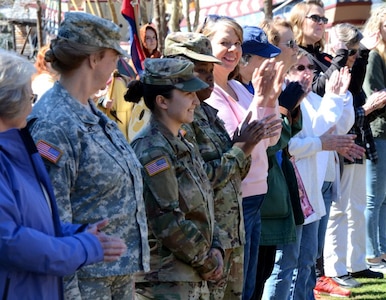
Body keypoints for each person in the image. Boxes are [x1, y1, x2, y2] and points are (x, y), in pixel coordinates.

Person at [27, 12, 150, 300]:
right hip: (84, 283)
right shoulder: (53, 124)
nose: (116, 67)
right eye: (112, 58)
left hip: (113, 276)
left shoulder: (91, 112)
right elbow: (53, 225)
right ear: (94, 58)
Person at [0, 49, 127, 299]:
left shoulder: (17, 150)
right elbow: (10, 242)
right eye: (29, 95)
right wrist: (84, 247)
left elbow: (30, 223)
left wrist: (76, 232)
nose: (32, 101)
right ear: (9, 100)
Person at [164, 31, 282, 300]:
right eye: (198, 70)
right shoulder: (176, 120)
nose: (207, 77)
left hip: (229, 230)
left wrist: (243, 147)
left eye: (209, 69)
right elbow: (196, 179)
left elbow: (237, 168)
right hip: (201, 243)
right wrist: (241, 148)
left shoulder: (206, 113)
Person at [198, 16, 284, 300]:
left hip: (255, 194)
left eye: (237, 43)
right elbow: (237, 140)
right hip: (233, 200)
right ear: (205, 44)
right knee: (235, 289)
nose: (234, 50)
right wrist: (261, 98)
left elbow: (268, 139)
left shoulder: (236, 88)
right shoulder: (208, 95)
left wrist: (269, 99)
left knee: (250, 285)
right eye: (225, 43)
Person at [263, 51, 361, 300]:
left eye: (309, 68)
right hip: (293, 194)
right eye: (298, 67)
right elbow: (292, 144)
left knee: (307, 260)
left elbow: (339, 124)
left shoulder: (312, 100)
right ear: (285, 72)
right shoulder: (286, 101)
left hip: (313, 192)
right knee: (285, 266)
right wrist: (322, 140)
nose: (306, 73)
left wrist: (341, 96)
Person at [126, 58, 224, 299]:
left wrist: (216, 246)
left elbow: (205, 202)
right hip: (165, 283)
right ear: (162, 101)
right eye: (187, 93)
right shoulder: (152, 150)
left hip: (189, 277)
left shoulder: (182, 143)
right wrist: (206, 260)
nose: (196, 100)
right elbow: (167, 220)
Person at [322, 23, 386, 294]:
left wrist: (360, 55)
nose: (354, 56)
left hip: (358, 143)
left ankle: (357, 263)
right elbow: (337, 115)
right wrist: (368, 107)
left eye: (357, 51)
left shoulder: (353, 69)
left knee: (358, 206)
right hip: (338, 147)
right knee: (339, 211)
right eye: (349, 50)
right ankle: (335, 270)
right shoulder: (327, 70)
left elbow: (354, 100)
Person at [254, 18, 308, 300]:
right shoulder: (259, 86)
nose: (295, 49)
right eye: (290, 43)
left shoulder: (281, 83)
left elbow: (287, 135)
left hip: (275, 187)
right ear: (272, 47)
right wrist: (285, 107)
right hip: (260, 195)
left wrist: (291, 108)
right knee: (264, 273)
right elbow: (272, 140)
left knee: (272, 268)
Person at [363, 3, 386, 271]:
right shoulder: (374, 56)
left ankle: (381, 250)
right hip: (378, 132)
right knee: (374, 197)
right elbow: (375, 94)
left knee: (383, 198)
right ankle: (371, 254)